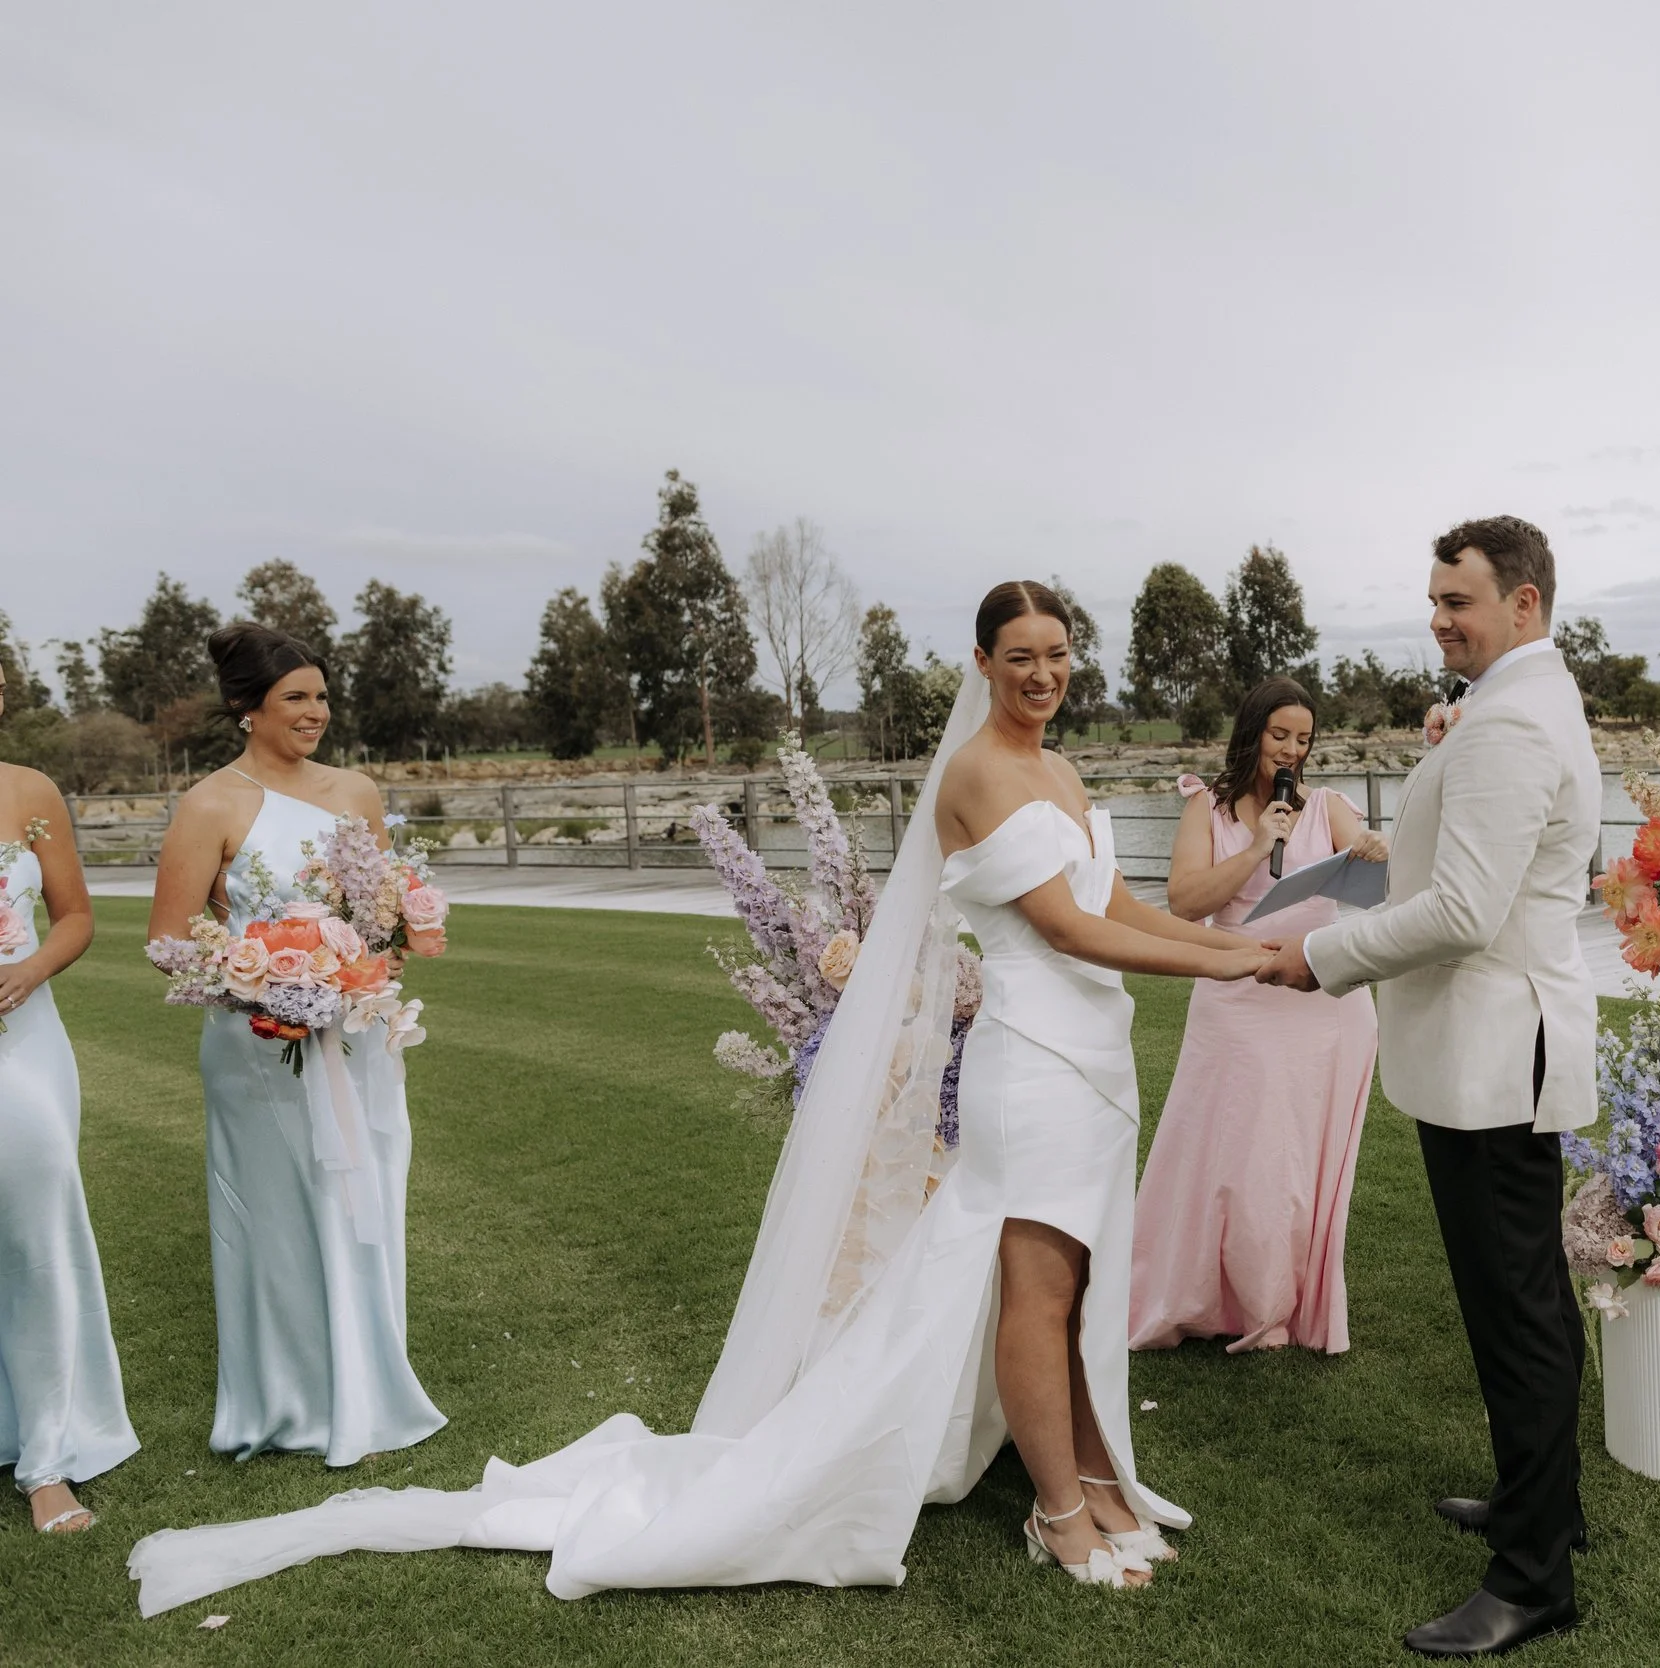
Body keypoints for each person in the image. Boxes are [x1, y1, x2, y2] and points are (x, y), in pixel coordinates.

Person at [129, 580, 1272, 1613]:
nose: (1043, 673)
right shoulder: (975, 774)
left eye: (1059, 653)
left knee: (1072, 1284)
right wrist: (1234, 968)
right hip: (1036, 1052)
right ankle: (1057, 1512)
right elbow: (1069, 930)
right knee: (1032, 1285)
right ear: (981, 663)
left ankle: (1089, 1476)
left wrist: (1249, 945)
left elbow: (1120, 901)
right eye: (1020, 654)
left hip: (1100, 1051)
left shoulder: (1068, 772)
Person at [1259, 516, 1599, 1659]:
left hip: (1492, 1055)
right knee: (1530, 1300)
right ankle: (1538, 1505)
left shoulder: (1509, 720)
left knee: (1516, 1314)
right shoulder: (1524, 702)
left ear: (1525, 605)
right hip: (1496, 1046)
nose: (1440, 618)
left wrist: (1316, 955)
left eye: (1459, 600)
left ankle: (1533, 1578)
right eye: (1435, 601)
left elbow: (1464, 914)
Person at [146, 623, 445, 1465]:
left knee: (366, 1194)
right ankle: (289, 1399)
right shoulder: (210, 804)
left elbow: (378, 911)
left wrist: (365, 966)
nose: (315, 712)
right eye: (295, 699)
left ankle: (371, 1380)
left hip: (356, 1035)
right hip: (257, 1050)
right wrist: (266, 981)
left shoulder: (355, 792)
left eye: (320, 695)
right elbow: (168, 940)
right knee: (278, 1215)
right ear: (247, 708)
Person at [1130, 677, 1386, 1356]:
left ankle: (1283, 1304)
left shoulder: (1326, 805)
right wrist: (1253, 848)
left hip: (1323, 1004)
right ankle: (1219, 1297)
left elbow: (1368, 858)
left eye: (1303, 739)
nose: (1292, 751)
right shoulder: (1204, 807)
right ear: (1252, 733)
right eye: (1280, 736)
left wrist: (1374, 849)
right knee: (1238, 1161)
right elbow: (1184, 902)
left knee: (1298, 1165)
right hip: (1236, 996)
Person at [1, 707, 139, 1534]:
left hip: (24, 1041)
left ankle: (47, 1459)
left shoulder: (29, 791)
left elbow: (77, 917)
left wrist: (27, 971)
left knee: (37, 1237)